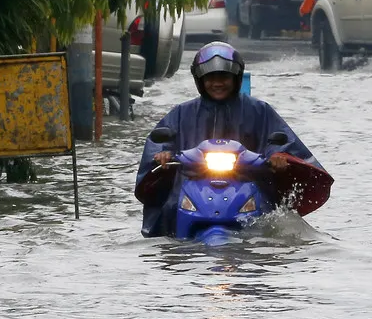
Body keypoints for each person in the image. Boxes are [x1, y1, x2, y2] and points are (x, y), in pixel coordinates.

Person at [134, 42, 325, 238]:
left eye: (224, 77)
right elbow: (160, 140)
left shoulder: (259, 110)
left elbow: (279, 140)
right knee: (168, 214)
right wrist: (163, 155)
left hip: (249, 187)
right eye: (210, 78)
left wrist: (277, 156)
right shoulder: (182, 113)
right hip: (190, 189)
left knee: (272, 224)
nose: (217, 83)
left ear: (236, 78)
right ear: (199, 79)